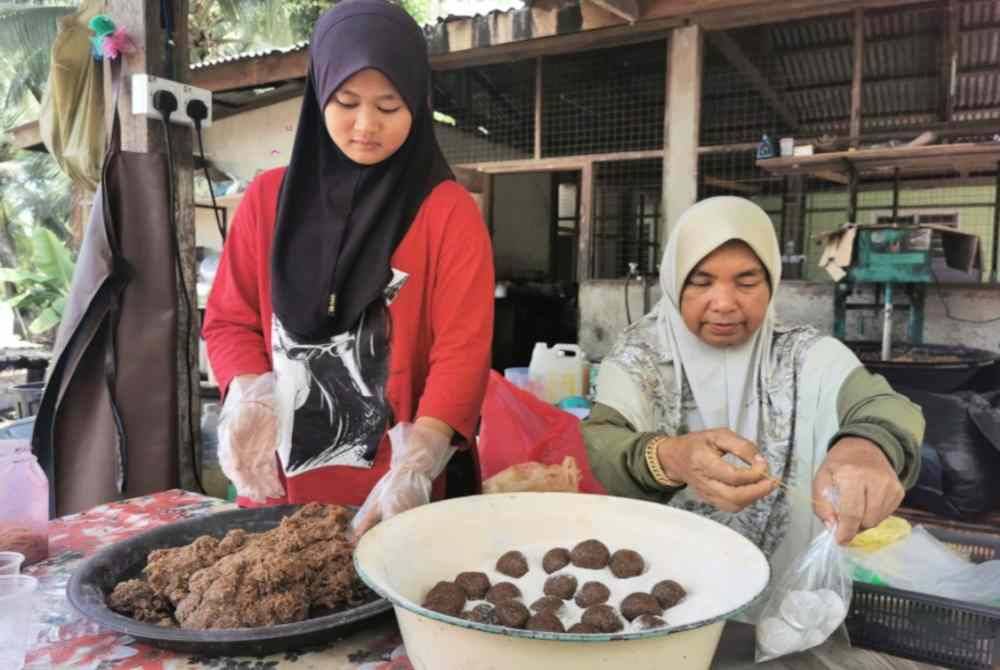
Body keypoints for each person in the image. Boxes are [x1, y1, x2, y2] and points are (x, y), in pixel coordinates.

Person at [203, 0, 494, 535]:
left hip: (401, 493)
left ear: (418, 103)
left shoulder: (447, 211)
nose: (366, 126)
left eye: (390, 106)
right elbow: (229, 320)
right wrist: (249, 393)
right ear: (319, 95)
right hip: (282, 486)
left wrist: (421, 457)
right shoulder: (268, 201)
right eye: (346, 101)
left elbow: (463, 351)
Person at [582, 196, 923, 575]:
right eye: (700, 282)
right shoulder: (638, 358)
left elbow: (881, 404)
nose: (724, 303)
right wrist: (671, 457)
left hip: (783, 601)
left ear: (771, 282)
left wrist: (866, 449)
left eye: (746, 282)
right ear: (675, 281)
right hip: (656, 592)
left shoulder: (803, 354)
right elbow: (602, 441)